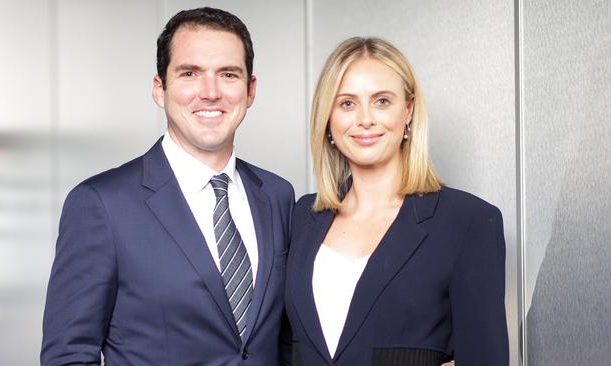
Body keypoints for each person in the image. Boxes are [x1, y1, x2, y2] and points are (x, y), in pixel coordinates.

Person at [41, 7, 294, 366]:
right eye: (190, 73)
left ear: (250, 90)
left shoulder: (277, 196)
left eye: (228, 74)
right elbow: (68, 355)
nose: (210, 92)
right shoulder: (101, 205)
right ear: (160, 88)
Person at [285, 37, 508, 365]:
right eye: (347, 103)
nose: (365, 119)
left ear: (409, 110)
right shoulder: (302, 216)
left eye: (382, 101)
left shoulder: (468, 221)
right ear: (328, 119)